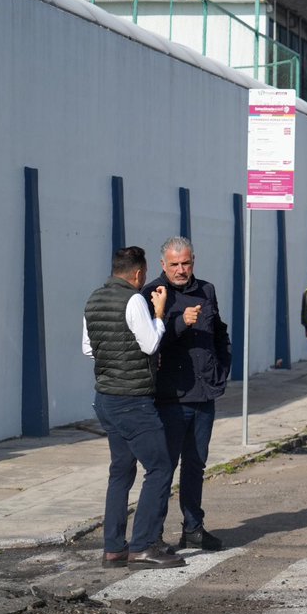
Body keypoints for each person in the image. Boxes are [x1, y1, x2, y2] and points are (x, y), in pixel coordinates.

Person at [83, 246, 186, 569]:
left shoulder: (93, 299)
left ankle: (113, 548)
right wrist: (159, 313)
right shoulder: (134, 300)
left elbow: (88, 349)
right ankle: (142, 545)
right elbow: (151, 343)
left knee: (121, 471)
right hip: (133, 400)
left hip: (106, 398)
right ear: (139, 274)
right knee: (159, 467)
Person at [144, 236, 230, 551]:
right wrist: (180, 322)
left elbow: (219, 331)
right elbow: (149, 344)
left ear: (193, 261)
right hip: (170, 398)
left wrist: (223, 367)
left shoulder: (206, 290)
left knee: (195, 465)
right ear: (163, 265)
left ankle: (193, 528)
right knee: (163, 467)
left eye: (186, 263)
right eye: (175, 264)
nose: (181, 270)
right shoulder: (153, 293)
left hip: (204, 394)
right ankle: (152, 536)